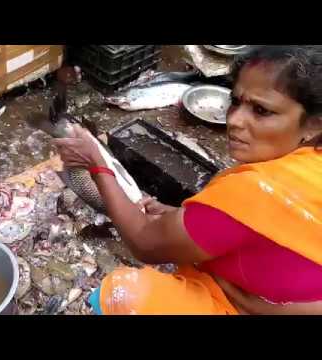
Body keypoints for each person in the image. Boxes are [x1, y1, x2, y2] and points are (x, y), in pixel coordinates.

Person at [53, 45, 322, 315]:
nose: (235, 120)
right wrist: (186, 217)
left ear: (313, 125)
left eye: (262, 111)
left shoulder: (252, 192)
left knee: (124, 293)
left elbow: (145, 243)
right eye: (236, 101)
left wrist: (97, 164)